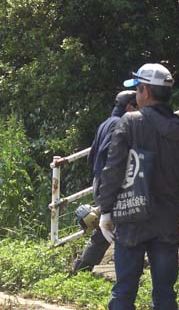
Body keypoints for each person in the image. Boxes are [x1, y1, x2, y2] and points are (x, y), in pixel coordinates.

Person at [97, 63, 179, 310]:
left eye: (138, 89)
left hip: (131, 218)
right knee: (165, 294)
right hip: (167, 220)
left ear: (145, 91)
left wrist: (105, 210)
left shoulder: (130, 122)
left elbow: (113, 170)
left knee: (123, 292)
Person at [72, 90, 138, 274]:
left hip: (100, 181)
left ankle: (83, 267)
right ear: (130, 107)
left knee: (106, 227)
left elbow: (92, 156)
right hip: (112, 183)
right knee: (124, 223)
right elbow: (113, 157)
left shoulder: (106, 123)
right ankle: (128, 266)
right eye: (139, 107)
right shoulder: (121, 124)